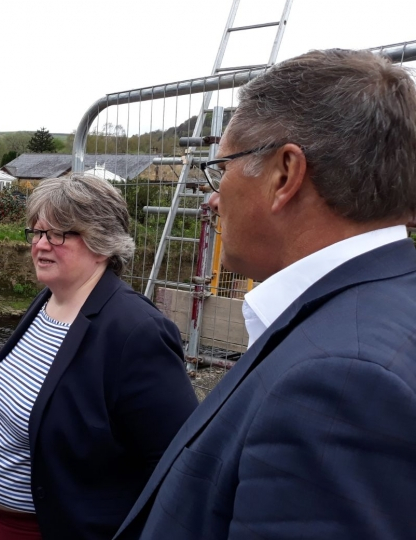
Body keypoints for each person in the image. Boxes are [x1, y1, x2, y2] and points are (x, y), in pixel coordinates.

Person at [115, 48, 416, 539]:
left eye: (223, 169)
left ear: (284, 174)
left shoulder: (341, 384)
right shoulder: (389, 304)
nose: (213, 198)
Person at [0, 174, 198, 539]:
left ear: (102, 242)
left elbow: (177, 461)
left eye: (59, 233)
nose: (41, 245)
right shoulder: (47, 302)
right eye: (37, 232)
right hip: (0, 527)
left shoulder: (135, 330)